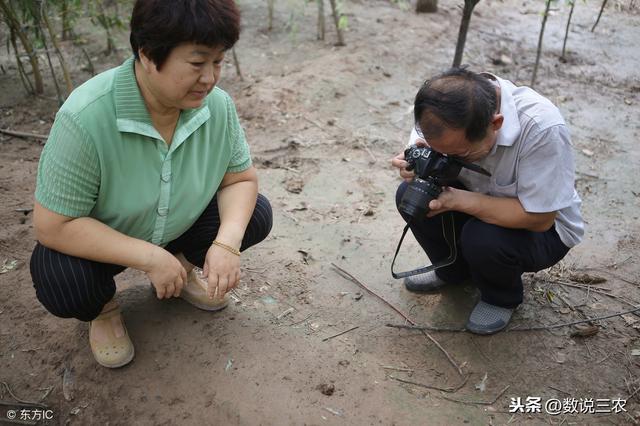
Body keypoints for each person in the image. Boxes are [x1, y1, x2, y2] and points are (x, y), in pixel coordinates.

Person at [30, 0, 272, 368]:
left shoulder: (217, 106)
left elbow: (239, 179)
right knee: (64, 281)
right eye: (196, 63)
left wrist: (227, 243)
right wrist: (147, 257)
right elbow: (53, 225)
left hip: (178, 222)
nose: (210, 78)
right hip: (106, 241)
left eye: (218, 61)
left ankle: (181, 267)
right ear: (147, 54)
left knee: (255, 215)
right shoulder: (85, 117)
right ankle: (104, 308)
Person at [391, 68, 583, 335]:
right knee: (410, 196)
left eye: (460, 154)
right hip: (481, 201)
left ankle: (500, 297)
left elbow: (541, 219)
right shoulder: (441, 110)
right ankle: (452, 270)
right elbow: (427, 151)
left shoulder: (541, 127)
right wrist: (413, 165)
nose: (449, 158)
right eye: (440, 151)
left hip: (544, 230)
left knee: (482, 236)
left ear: (496, 123)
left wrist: (459, 201)